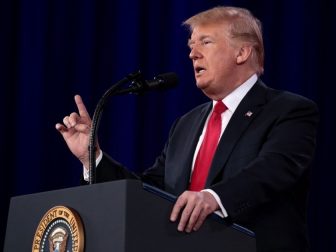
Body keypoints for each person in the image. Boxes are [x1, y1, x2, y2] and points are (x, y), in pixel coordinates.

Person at [56, 6, 319, 251]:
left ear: (242, 52)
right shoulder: (186, 124)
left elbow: (272, 170)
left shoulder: (289, 110)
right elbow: (149, 193)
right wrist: (92, 157)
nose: (192, 53)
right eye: (191, 46)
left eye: (205, 42)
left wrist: (213, 197)